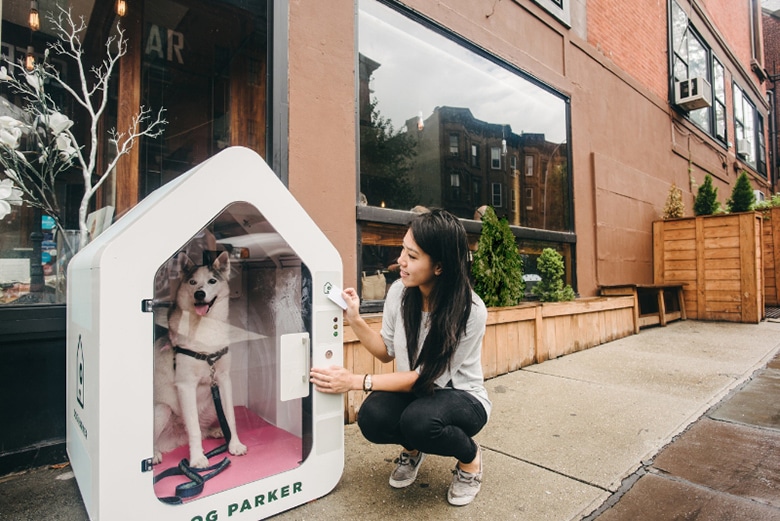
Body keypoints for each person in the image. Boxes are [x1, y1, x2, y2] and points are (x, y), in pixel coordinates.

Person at [310, 208, 490, 506]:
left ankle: (470, 460)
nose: (400, 262)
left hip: (461, 398)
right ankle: (414, 449)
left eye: (413, 256)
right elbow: (385, 352)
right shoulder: (400, 292)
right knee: (372, 416)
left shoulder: (470, 310)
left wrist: (354, 381)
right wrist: (355, 319)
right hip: (419, 395)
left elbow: (424, 379)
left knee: (420, 421)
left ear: (440, 267)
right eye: (403, 250)